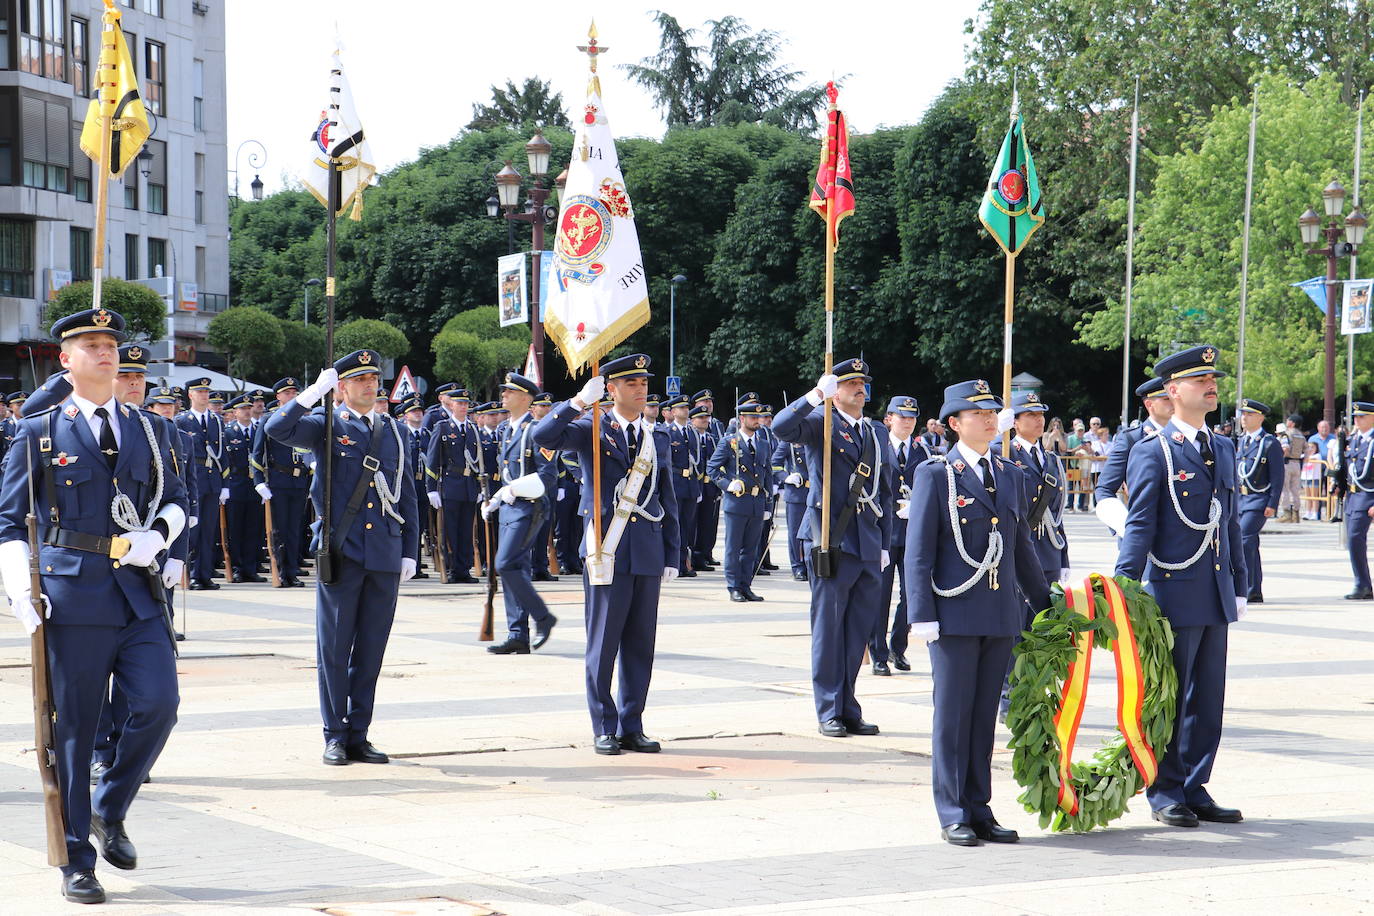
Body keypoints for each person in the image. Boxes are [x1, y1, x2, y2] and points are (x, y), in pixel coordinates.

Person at [0, 308, 187, 904]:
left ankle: (110, 805)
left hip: (139, 593)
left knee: (159, 705)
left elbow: (177, 498)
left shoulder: (149, 429)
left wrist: (158, 536)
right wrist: (18, 592)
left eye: (110, 344)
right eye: (90, 344)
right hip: (72, 595)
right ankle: (77, 858)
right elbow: (9, 523)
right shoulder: (39, 432)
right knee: (76, 732)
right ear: (66, 359)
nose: (105, 353)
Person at [905, 379, 1048, 847]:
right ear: (953, 423)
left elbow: (1021, 544)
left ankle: (979, 806)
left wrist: (1044, 603)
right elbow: (919, 552)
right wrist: (920, 614)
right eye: (977, 414)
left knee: (984, 716)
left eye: (992, 413)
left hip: (999, 612)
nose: (989, 420)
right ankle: (952, 810)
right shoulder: (936, 474)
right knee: (952, 716)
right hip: (953, 611)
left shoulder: (1009, 472)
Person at [265, 350, 420, 766]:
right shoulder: (325, 425)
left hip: (385, 552)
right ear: (343, 388)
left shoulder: (394, 431)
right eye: (360, 380)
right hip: (341, 549)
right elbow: (277, 428)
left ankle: (359, 734)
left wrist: (410, 549)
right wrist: (313, 393)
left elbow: (407, 493)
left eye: (374, 378)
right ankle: (334, 733)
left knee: (371, 651)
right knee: (334, 649)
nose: (370, 385)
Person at [1115, 345, 1247, 828]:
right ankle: (1165, 789)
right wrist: (1124, 586)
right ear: (1172, 392)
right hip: (1172, 588)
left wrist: (1239, 586)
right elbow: (1140, 524)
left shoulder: (1224, 446)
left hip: (1213, 591)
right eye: (1199, 381)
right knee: (1169, 696)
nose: (1211, 386)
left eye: (1213, 378)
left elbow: (1230, 524)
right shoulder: (1155, 451)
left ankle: (1196, 783)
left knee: (1208, 698)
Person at [533, 354, 680, 755]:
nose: (641, 388)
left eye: (643, 383)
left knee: (640, 644)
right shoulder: (589, 428)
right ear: (610, 390)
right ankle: (604, 725)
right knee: (603, 642)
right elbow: (543, 437)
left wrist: (672, 552)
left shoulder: (658, 437)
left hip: (647, 549)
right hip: (606, 549)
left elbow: (667, 497)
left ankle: (632, 724)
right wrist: (579, 402)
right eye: (631, 383)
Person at [773, 357, 893, 739]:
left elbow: (885, 491)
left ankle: (848, 706)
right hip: (831, 536)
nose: (860, 388)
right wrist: (813, 397)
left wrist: (885, 542)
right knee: (829, 628)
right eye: (851, 382)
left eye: (863, 382)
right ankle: (828, 709)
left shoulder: (875, 433)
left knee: (857, 631)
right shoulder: (820, 422)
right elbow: (780, 428)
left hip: (868, 540)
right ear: (835, 390)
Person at [483, 374, 559, 654]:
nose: (503, 395)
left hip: (529, 507)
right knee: (514, 569)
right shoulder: (506, 430)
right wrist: (494, 499)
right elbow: (507, 476)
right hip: (509, 509)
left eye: (510, 392)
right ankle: (518, 634)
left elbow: (548, 476)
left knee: (505, 564)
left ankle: (543, 617)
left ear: (526, 399)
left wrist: (510, 489)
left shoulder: (536, 430)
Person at [868, 395, 930, 675]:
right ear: (888, 419)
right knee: (879, 596)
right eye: (901, 416)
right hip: (883, 531)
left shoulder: (924, 452)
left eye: (911, 417)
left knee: (911, 595)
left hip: (912, 533)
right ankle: (878, 652)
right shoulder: (877, 449)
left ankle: (897, 647)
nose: (907, 421)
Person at [707, 398, 772, 602]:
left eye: (758, 417)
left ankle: (746, 585)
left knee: (751, 548)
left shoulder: (763, 443)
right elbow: (712, 469)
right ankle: (734, 586)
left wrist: (768, 504)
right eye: (753, 417)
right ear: (741, 418)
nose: (757, 421)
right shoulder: (729, 442)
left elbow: (767, 475)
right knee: (734, 547)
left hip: (756, 501)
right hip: (737, 501)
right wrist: (727, 484)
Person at [1094, 377, 1175, 536]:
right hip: (1144, 533)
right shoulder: (1131, 439)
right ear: (1149, 405)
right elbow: (1104, 488)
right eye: (1166, 399)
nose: (1173, 403)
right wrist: (1126, 527)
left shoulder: (1188, 436)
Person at [251, 378, 309, 588]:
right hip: (278, 480)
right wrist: (259, 482)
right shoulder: (269, 419)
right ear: (278, 397)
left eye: (294, 393)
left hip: (299, 481)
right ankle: (281, 570)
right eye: (287, 393)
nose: (292, 396)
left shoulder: (304, 419)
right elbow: (257, 453)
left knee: (295, 529)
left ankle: (292, 571)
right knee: (279, 530)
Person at [424, 387, 483, 585]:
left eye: (466, 404)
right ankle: (450, 568)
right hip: (450, 485)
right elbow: (432, 460)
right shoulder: (443, 427)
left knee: (466, 531)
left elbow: (479, 462)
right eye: (460, 403)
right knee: (450, 531)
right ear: (452, 405)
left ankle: (463, 569)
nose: (463, 407)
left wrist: (481, 489)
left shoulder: (473, 428)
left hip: (469, 487)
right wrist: (431, 488)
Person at [175, 377, 229, 589]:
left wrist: (224, 484)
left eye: (207, 392)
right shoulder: (182, 420)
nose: (205, 395)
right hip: (193, 478)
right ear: (190, 395)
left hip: (213, 479)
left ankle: (204, 575)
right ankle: (189, 575)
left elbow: (223, 454)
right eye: (200, 392)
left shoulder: (216, 420)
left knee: (209, 531)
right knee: (193, 531)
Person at [1235, 399, 1285, 602]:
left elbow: (1277, 476)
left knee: (1245, 538)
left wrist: (1272, 503)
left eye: (1249, 414)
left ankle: (1250, 587)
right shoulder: (1241, 440)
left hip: (1258, 499)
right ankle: (1253, 589)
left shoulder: (1269, 443)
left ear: (1261, 418)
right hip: (1241, 498)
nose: (1244, 418)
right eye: (1243, 414)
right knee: (1248, 542)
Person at [664, 396, 701, 576]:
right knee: (675, 524)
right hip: (675, 483)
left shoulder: (692, 432)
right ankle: (675, 562)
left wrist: (698, 485)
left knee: (688, 525)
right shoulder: (667, 432)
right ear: (672, 412)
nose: (685, 410)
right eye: (681, 408)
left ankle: (685, 562)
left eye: (686, 407)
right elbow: (665, 462)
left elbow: (699, 460)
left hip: (691, 484)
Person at [1342, 401, 1374, 599]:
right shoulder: (1355, 440)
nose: (1357, 420)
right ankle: (1362, 584)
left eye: (1362, 416)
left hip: (1368, 496)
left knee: (1355, 538)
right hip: (1354, 496)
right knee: (1353, 540)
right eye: (1356, 417)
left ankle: (1362, 584)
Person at [771, 428, 810, 582]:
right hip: (797, 494)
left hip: (816, 493)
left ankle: (811, 564)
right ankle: (798, 566)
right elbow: (775, 464)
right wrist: (786, 477)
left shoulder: (814, 439)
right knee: (796, 533)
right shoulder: (788, 443)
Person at [1277, 415, 1306, 522]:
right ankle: (1296, 513)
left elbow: (1285, 449)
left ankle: (1286, 513)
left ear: (1292, 423)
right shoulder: (1301, 436)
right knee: (1295, 490)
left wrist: (1281, 458)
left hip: (1286, 462)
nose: (1287, 421)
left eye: (1288, 420)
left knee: (1284, 489)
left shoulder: (1286, 434)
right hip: (1297, 463)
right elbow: (1307, 449)